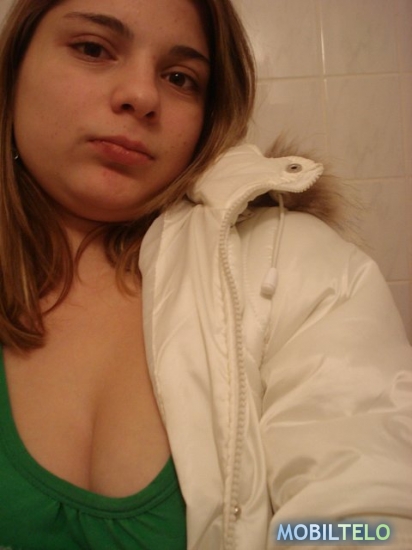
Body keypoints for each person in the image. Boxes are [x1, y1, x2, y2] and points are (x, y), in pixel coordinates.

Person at [0, 0, 411, 549]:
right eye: (93, 49)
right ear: (14, 69)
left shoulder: (291, 267)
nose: (142, 95)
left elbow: (370, 523)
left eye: (179, 78)